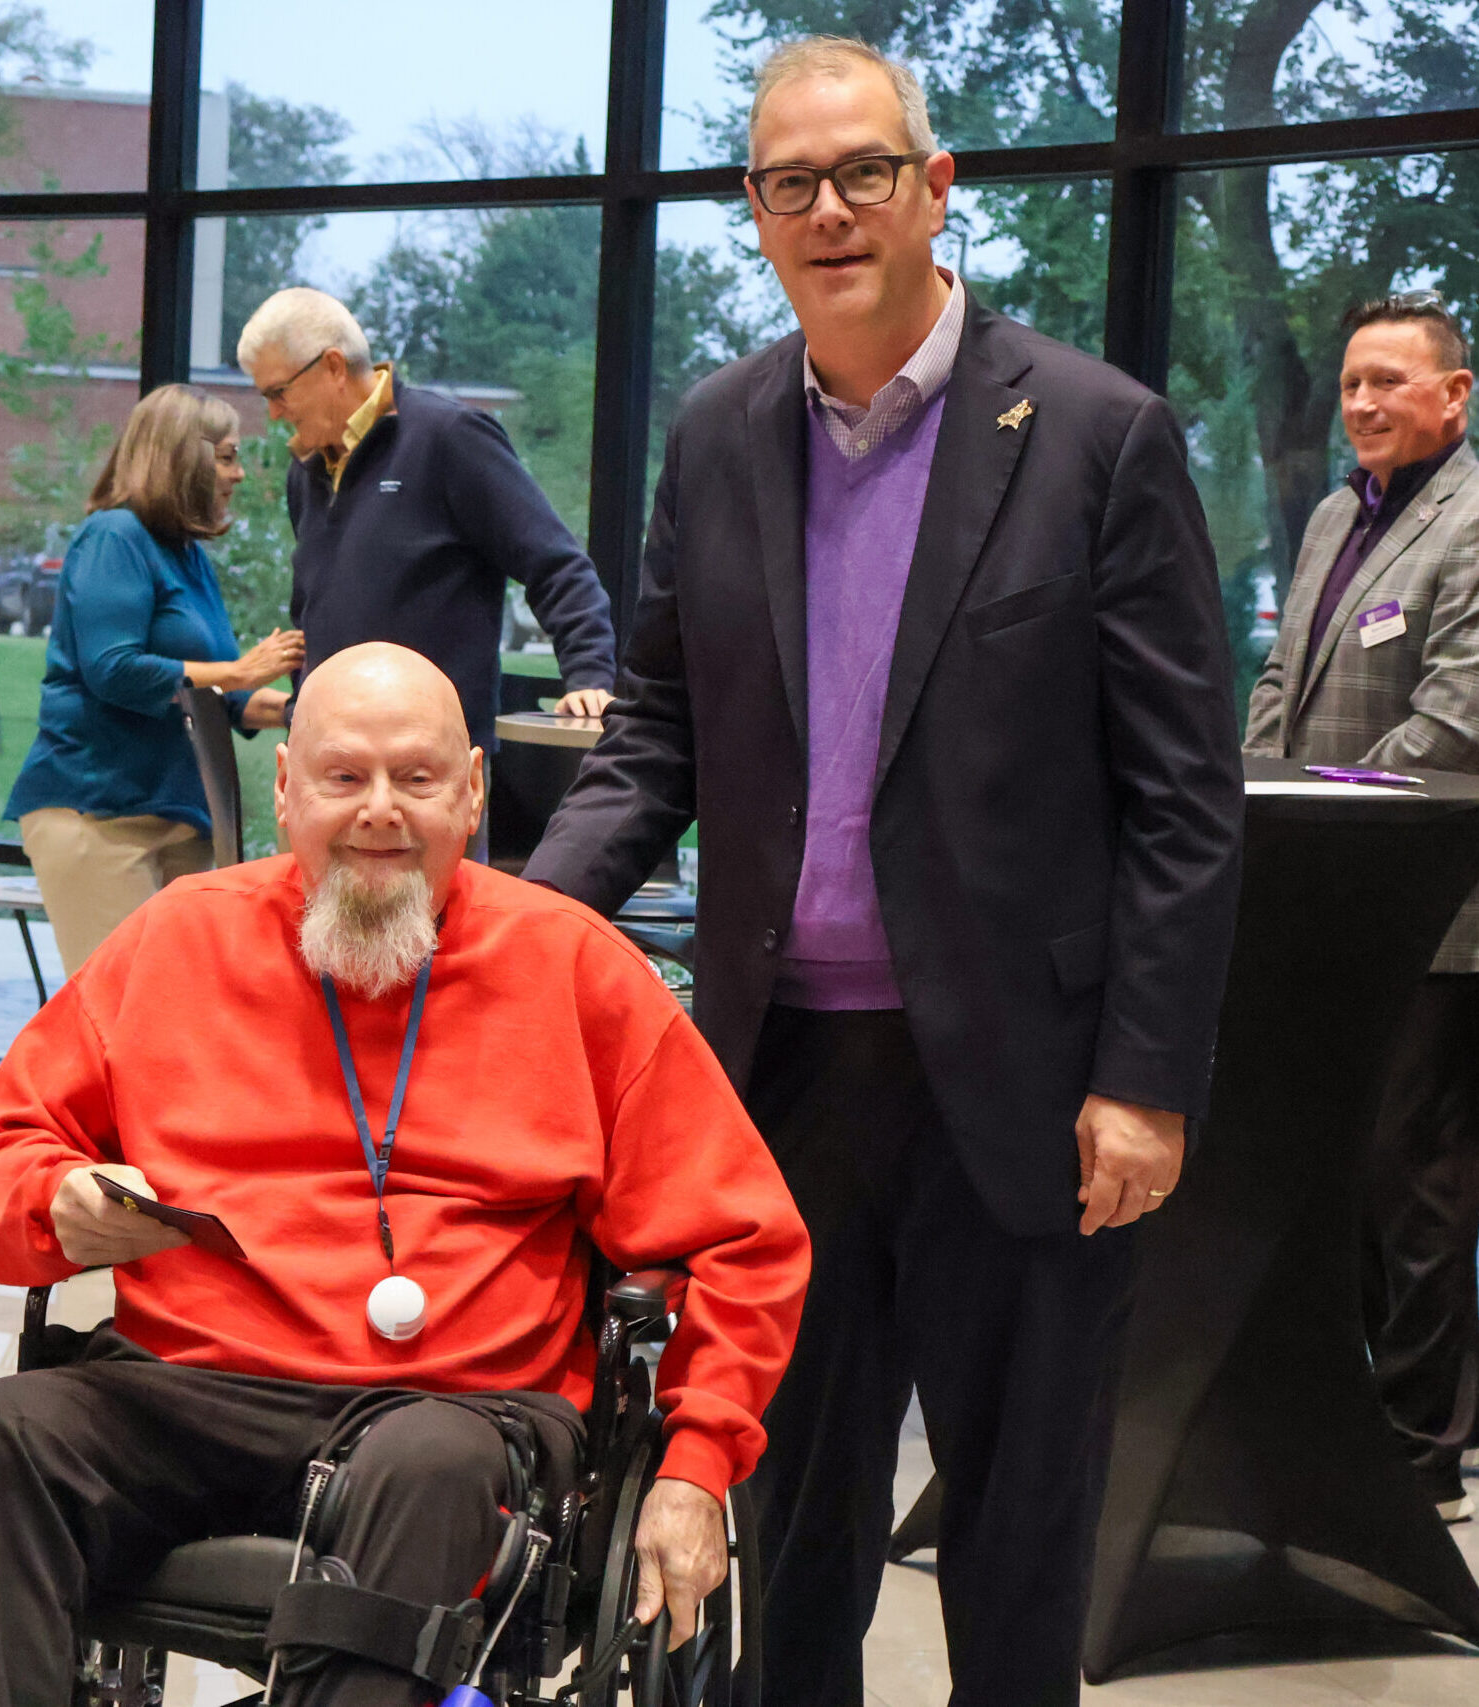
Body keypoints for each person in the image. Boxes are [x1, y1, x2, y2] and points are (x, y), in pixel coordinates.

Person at [524, 36, 1245, 1707]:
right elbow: (652, 736)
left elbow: (1183, 799)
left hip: (1027, 1083)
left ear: (936, 189)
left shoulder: (1095, 433)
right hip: (776, 1087)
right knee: (781, 1518)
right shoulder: (711, 438)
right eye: (789, 183)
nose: (827, 208)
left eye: (861, 172)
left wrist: (1144, 1078)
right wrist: (513, 926)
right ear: (756, 217)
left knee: (1014, 1531)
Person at [0, 643, 810, 1707]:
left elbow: (745, 1237)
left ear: (472, 792)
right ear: (284, 788)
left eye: (416, 779)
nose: (379, 810)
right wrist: (53, 1201)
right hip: (192, 1390)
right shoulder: (175, 944)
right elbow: (1, 1155)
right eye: (343, 778)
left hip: (460, 1414)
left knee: (427, 1465)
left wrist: (697, 1465)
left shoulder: (573, 970)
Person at [1244, 292, 1479, 1523]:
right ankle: (1332, 1415)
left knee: (1416, 1179)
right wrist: (1246, 799)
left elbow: (1454, 720)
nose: (1363, 404)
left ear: (1456, 393)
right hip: (1319, 896)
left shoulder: (1476, 519)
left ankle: (1424, 1449)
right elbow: (1286, 674)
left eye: (1391, 382)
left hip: (1432, 914)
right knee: (1332, 1171)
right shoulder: (1342, 509)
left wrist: (1316, 830)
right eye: (1350, 384)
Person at [6, 384, 304, 975]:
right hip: (100, 814)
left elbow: (225, 697)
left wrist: (305, 710)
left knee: (180, 1011)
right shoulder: (113, 537)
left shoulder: (187, 555)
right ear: (181, 457)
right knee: (122, 1013)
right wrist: (239, 669)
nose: (239, 474)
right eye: (226, 456)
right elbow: (113, 669)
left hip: (180, 815)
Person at [235, 286, 618, 743]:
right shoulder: (306, 472)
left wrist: (589, 678)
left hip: (432, 764)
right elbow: (314, 612)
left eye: (278, 392)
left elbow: (556, 565)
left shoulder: (449, 438)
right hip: (330, 757)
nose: (274, 413)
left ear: (333, 366)